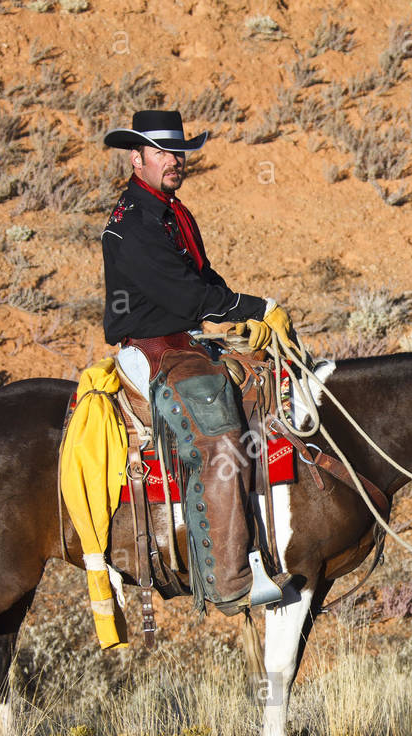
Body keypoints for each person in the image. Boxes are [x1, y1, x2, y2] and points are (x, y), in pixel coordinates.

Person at [100, 109, 294, 614]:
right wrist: (258, 308)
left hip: (184, 339)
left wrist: (240, 314)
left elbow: (207, 285)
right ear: (136, 158)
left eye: (178, 152)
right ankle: (231, 580)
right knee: (220, 439)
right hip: (153, 349)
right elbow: (187, 297)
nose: (174, 160)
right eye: (161, 152)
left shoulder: (172, 212)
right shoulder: (133, 225)